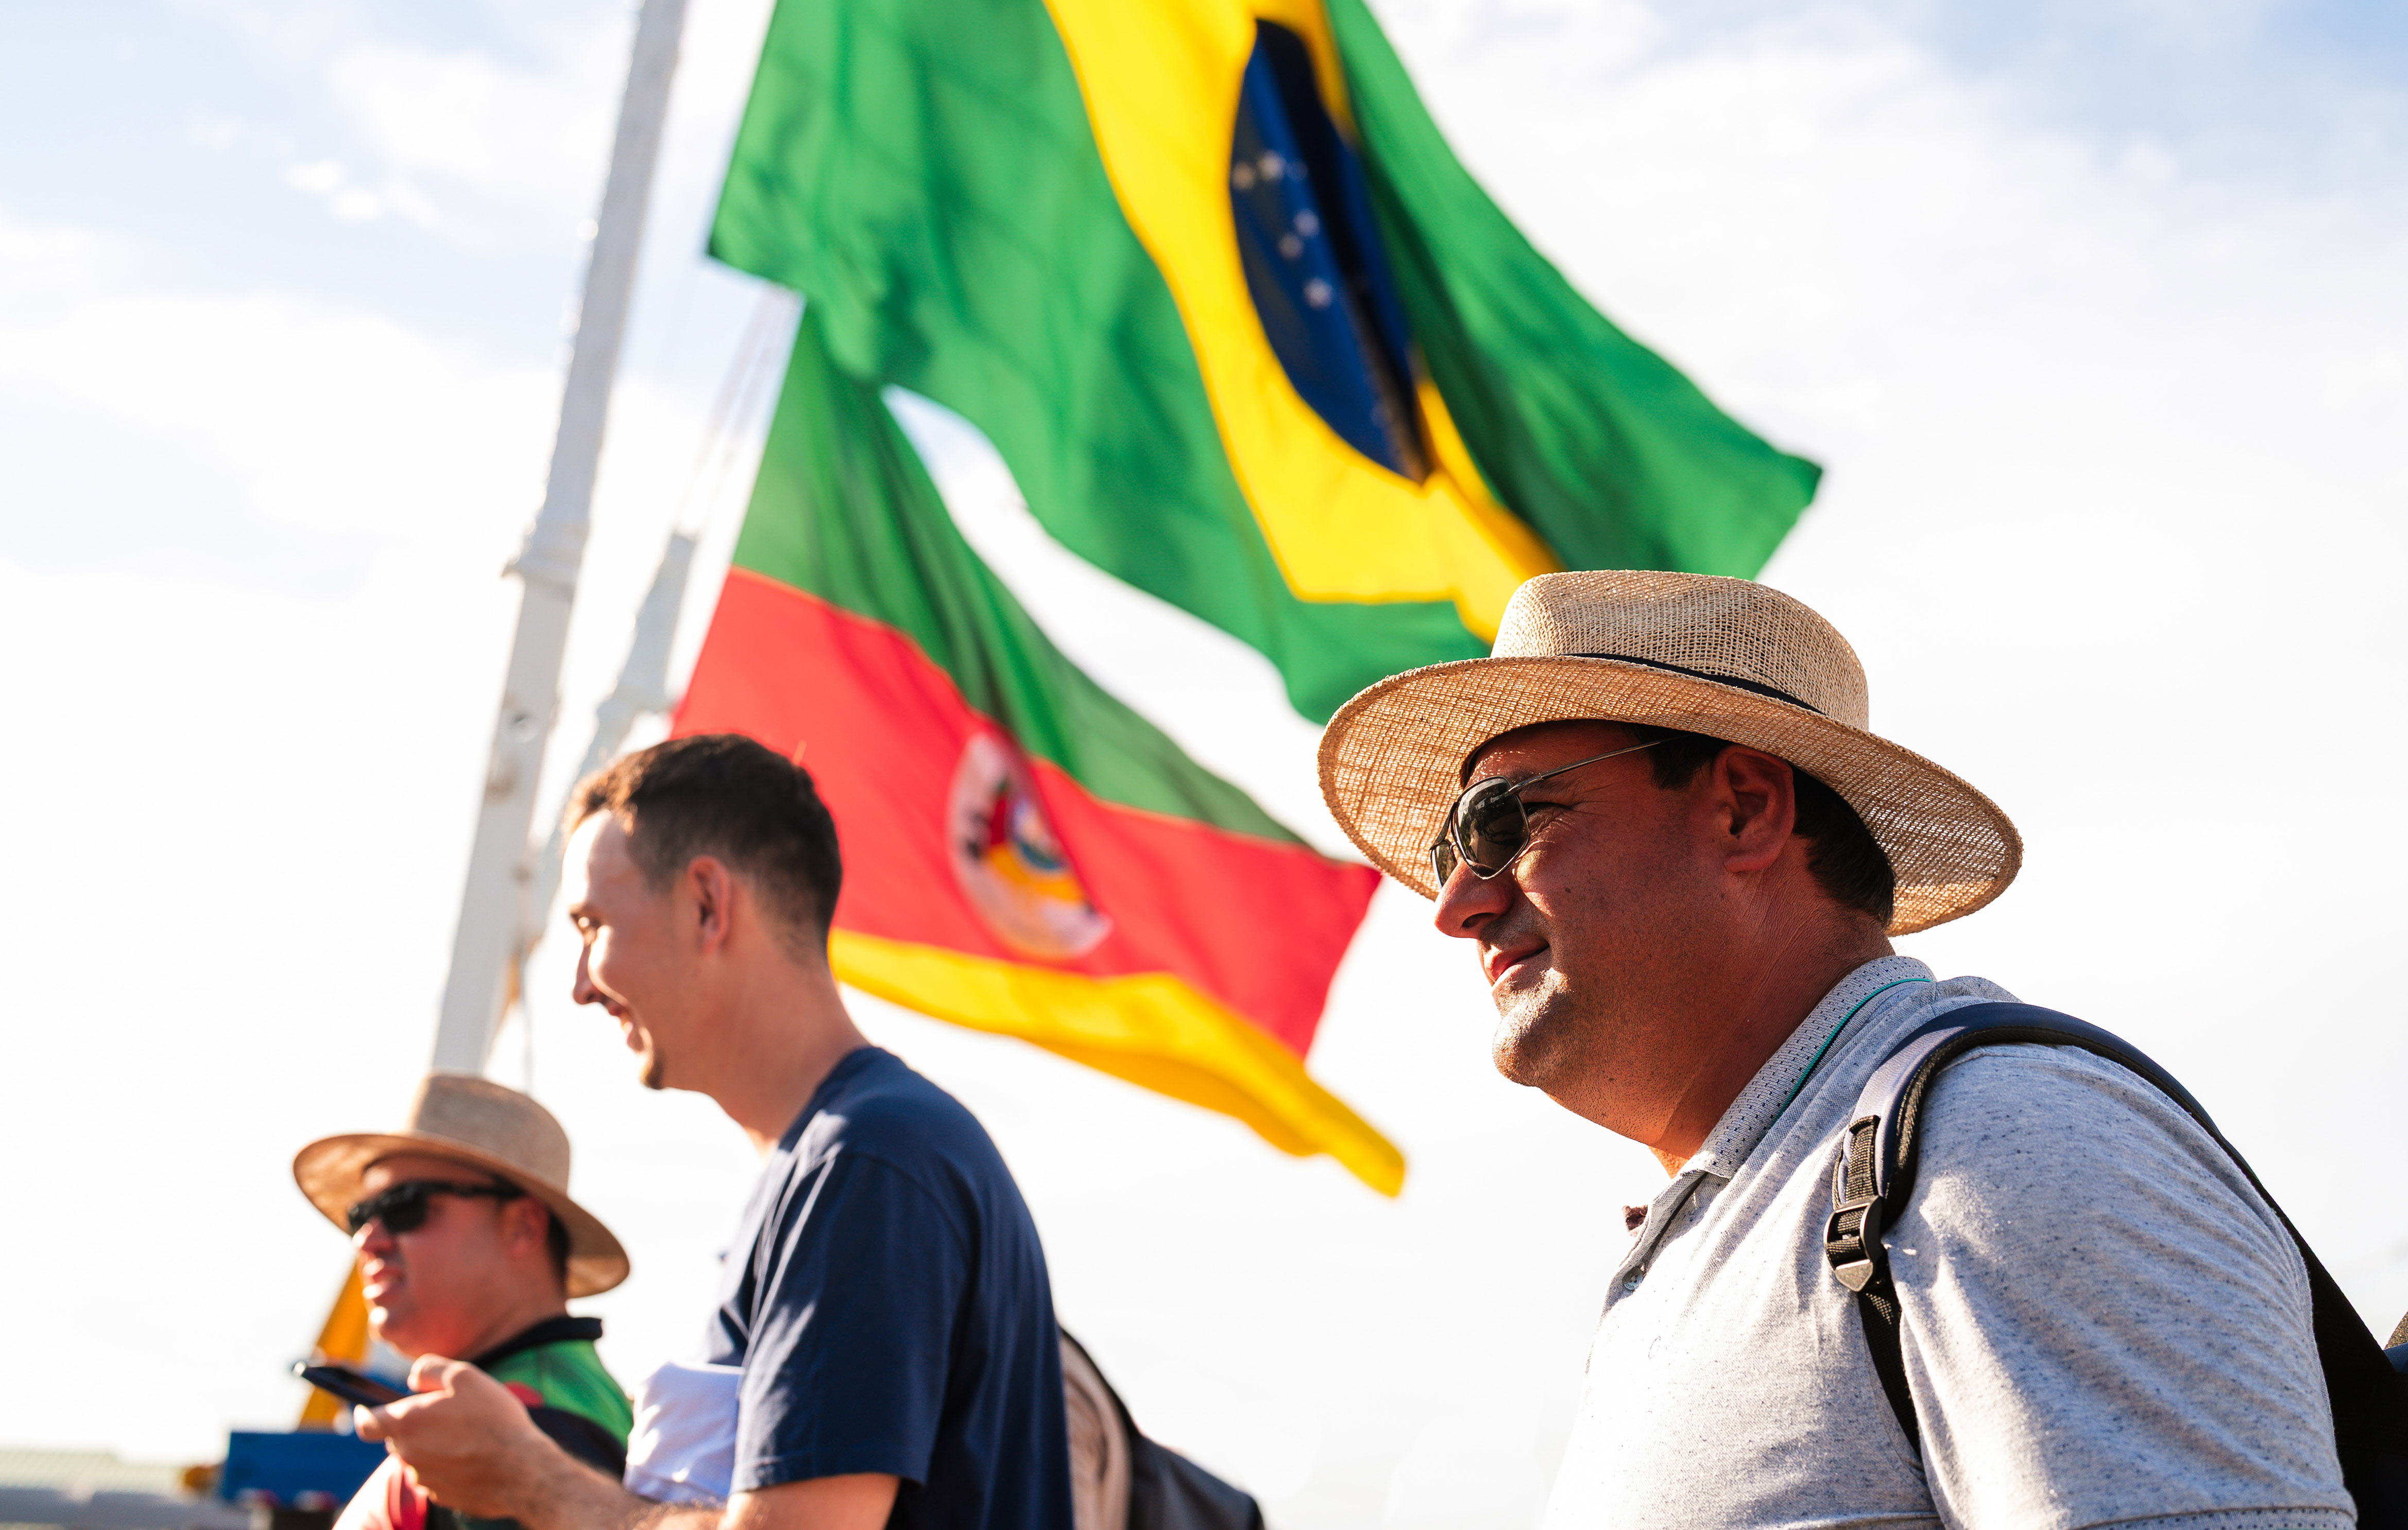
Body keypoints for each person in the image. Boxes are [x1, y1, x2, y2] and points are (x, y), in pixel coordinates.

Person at [1316, 569, 2353, 1528]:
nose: (1457, 902)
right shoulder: (1777, 1209)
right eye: (1455, 844)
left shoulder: (1993, 1147)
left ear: (1744, 808)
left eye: (1508, 821)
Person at [362, 734, 1073, 1530]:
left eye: (593, 925)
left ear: (708, 902)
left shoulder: (865, 1164)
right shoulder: (849, 1159)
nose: (577, 986)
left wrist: (533, 1479)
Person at [294, 1073, 635, 1530]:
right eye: (361, 1214)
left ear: (523, 1227)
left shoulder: (516, 1436)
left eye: (404, 1206)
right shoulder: (536, 1406)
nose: (367, 1239)